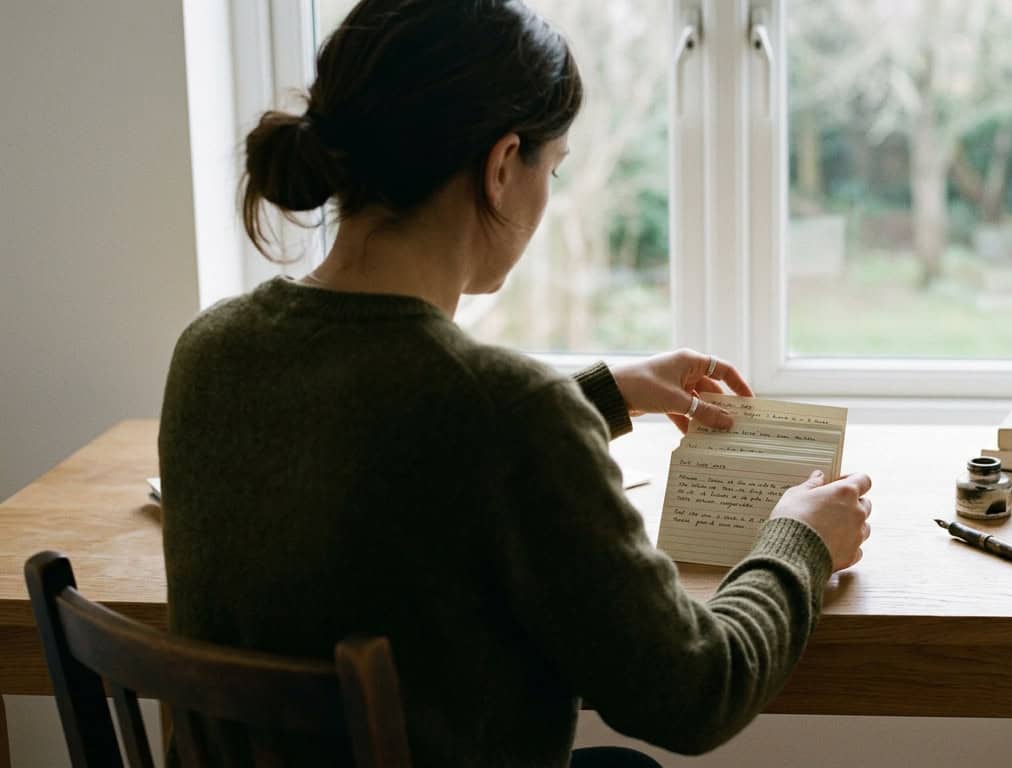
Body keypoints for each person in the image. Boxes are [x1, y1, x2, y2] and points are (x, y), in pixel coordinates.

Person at [158, 0, 873, 765]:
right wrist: (800, 541)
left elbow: (402, 449)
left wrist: (601, 394)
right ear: (501, 168)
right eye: (553, 168)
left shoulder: (209, 352)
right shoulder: (503, 411)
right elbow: (694, 692)